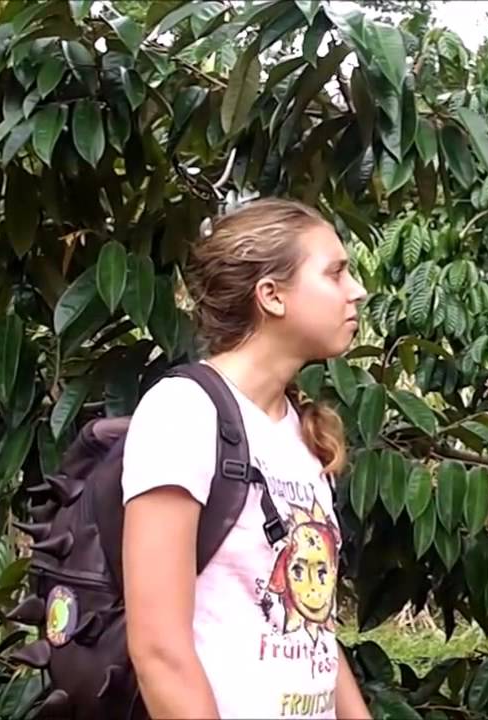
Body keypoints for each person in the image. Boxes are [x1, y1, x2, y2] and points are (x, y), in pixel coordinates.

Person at [121, 198, 372, 718]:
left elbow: (315, 630)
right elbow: (158, 652)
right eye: (336, 274)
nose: (357, 291)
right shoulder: (184, 412)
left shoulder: (300, 434)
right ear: (272, 296)